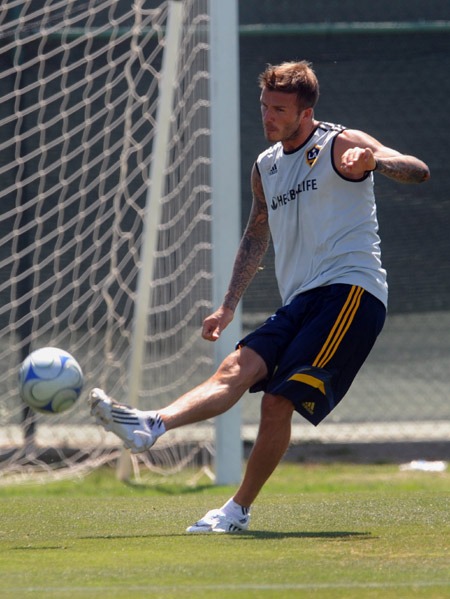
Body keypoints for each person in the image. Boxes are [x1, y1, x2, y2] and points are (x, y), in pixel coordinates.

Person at [89, 60, 430, 533]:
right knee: (235, 367)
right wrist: (228, 304)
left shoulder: (341, 143)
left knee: (275, 403)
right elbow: (255, 236)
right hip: (300, 301)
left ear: (306, 112)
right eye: (264, 106)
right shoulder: (266, 166)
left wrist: (376, 161)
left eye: (279, 109)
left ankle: (236, 510)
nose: (268, 117)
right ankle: (152, 425)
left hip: (352, 293)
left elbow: (417, 170)